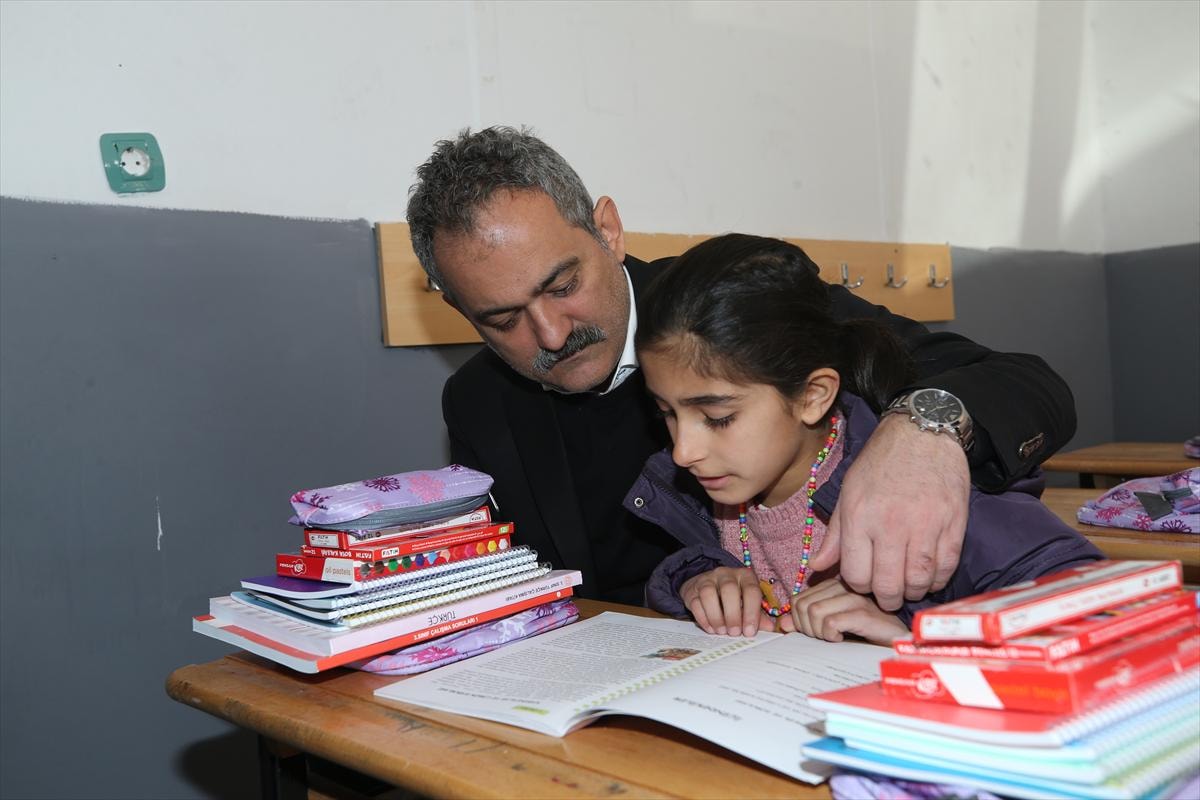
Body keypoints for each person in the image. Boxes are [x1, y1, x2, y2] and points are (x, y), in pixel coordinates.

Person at [405, 125, 1078, 607]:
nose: (551, 333)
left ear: (607, 231)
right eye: (503, 319)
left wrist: (923, 431)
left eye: (562, 284)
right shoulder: (476, 403)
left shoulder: (734, 304)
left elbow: (1025, 383)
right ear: (460, 310)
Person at [629, 233, 1103, 641]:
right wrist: (698, 578)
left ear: (813, 396)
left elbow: (1095, 609)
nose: (683, 451)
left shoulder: (915, 489)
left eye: (717, 418)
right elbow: (684, 565)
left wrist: (913, 635)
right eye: (666, 413)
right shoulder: (700, 491)